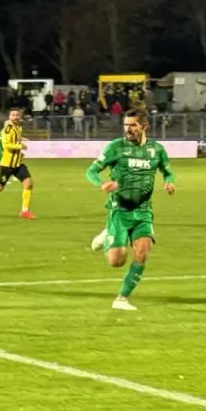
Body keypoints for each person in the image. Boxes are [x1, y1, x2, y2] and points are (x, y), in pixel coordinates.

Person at [85, 109, 176, 311]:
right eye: (126, 125)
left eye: (133, 125)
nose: (128, 129)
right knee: (116, 261)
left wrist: (169, 183)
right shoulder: (115, 147)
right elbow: (91, 171)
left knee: (142, 253)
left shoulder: (157, 150)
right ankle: (108, 234)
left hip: (143, 210)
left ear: (144, 126)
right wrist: (101, 184)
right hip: (120, 209)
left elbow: (167, 171)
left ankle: (122, 299)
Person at [0, 108, 34, 220]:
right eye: (13, 115)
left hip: (18, 164)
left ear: (19, 117)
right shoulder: (7, 129)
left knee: (28, 184)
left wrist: (20, 140)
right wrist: (21, 146)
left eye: (17, 115)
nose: (15, 117)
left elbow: (15, 139)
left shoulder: (18, 128)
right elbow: (7, 145)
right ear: (9, 117)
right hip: (7, 164)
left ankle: (24, 211)